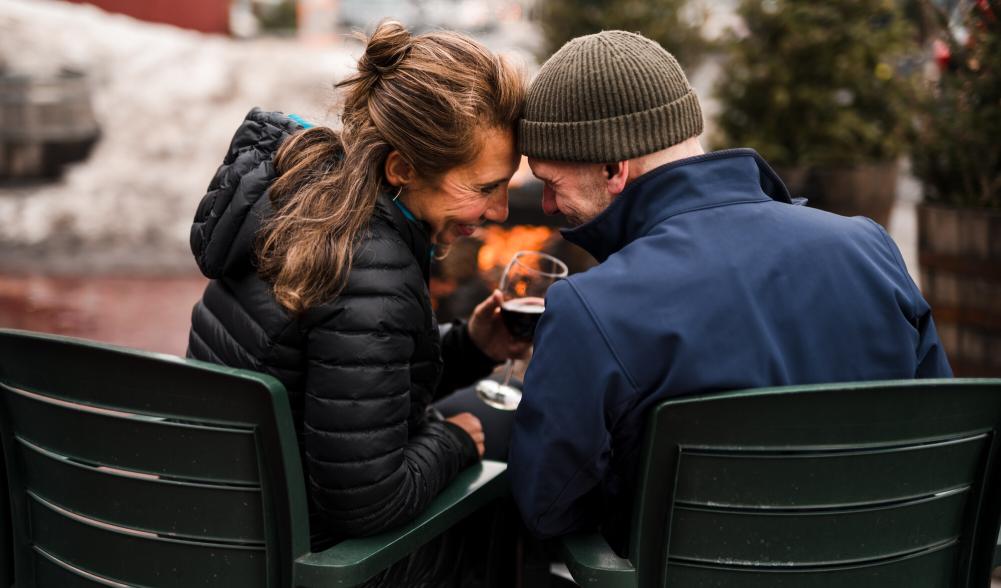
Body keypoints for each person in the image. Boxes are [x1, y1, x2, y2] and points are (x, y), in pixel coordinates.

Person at [507, 30, 953, 555]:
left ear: (612, 168)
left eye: (551, 183)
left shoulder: (590, 309)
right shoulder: (869, 249)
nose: (550, 208)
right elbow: (942, 442)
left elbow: (546, 507)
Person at [187, 21, 526, 586]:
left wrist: (469, 347)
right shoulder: (370, 264)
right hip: (309, 561)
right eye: (485, 187)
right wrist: (456, 440)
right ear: (401, 169)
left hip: (222, 524)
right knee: (516, 443)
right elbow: (369, 503)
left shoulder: (305, 203)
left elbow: (344, 382)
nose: (500, 214)